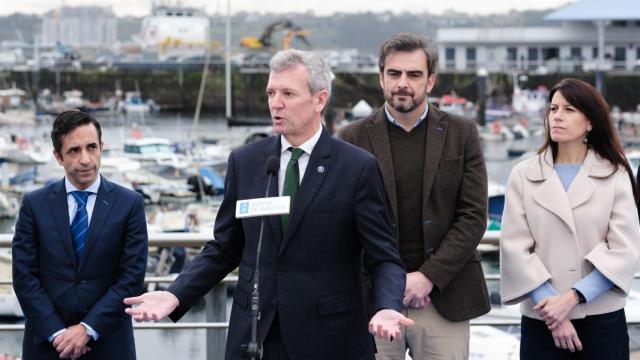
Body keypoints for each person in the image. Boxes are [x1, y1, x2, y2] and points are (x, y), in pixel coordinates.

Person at [124, 49, 412, 359]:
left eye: (288, 93)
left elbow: (384, 258)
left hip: (330, 338)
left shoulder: (357, 168)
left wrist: (386, 307)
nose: (276, 102)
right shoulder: (245, 161)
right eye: (271, 92)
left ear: (319, 100)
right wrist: (175, 294)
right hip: (256, 336)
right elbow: (224, 248)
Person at [339, 32, 490, 360]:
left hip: (443, 297)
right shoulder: (350, 138)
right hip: (373, 299)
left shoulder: (461, 133)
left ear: (430, 81)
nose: (402, 83)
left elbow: (474, 215)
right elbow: (343, 219)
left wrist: (428, 277)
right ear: (381, 78)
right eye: (394, 74)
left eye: (414, 74)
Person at [500, 78, 640, 359]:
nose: (557, 116)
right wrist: (554, 311)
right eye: (553, 109)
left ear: (590, 122)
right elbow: (515, 247)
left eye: (569, 109)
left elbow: (624, 248)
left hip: (602, 320)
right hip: (542, 321)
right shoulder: (523, 175)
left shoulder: (615, 174)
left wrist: (572, 298)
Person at [12, 110, 148, 359]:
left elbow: (131, 278)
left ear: (101, 147)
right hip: (47, 346)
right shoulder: (34, 204)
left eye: (91, 147)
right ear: (58, 156)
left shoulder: (129, 204)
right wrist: (57, 334)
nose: (85, 159)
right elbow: (24, 277)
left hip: (109, 344)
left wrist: (87, 329)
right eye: (74, 150)